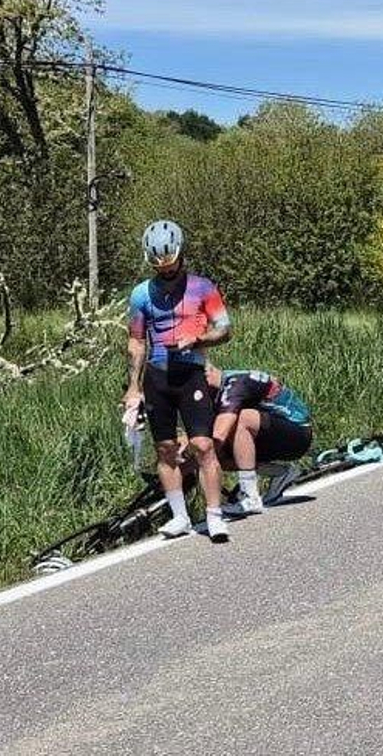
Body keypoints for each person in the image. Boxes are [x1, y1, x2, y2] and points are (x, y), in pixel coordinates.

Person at [123, 220, 234, 541]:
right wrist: (133, 387)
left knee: (202, 445)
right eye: (161, 269)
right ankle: (180, 517)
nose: (167, 272)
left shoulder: (203, 287)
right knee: (165, 449)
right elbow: (136, 342)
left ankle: (215, 516)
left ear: (181, 255)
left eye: (171, 266)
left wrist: (199, 339)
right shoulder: (141, 294)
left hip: (190, 375)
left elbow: (225, 329)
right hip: (158, 379)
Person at [205, 364, 312, 516]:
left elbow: (219, 435)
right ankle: (281, 472)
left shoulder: (235, 383)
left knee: (243, 419)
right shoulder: (215, 391)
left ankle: (250, 497)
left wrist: (197, 456)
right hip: (274, 433)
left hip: (298, 433)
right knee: (220, 457)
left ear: (206, 374)